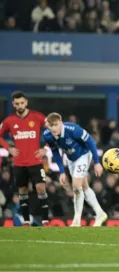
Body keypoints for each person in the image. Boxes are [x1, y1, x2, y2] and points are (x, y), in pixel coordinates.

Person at [44, 112, 108, 227]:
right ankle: (100, 213)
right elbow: (55, 152)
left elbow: (91, 142)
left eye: (56, 125)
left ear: (61, 123)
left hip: (83, 155)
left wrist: (97, 163)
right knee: (84, 186)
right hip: (70, 159)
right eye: (51, 125)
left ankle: (76, 220)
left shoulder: (73, 129)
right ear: (47, 125)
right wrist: (62, 172)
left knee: (75, 185)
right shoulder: (47, 135)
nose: (53, 128)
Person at [0, 91, 50, 226]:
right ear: (13, 104)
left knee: (41, 188)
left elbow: (52, 130)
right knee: (22, 191)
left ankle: (45, 221)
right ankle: (26, 221)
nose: (20, 106)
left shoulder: (37, 117)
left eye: (22, 103)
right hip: (19, 163)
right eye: (17, 104)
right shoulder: (9, 121)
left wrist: (45, 147)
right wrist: (8, 148)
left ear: (26, 102)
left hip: (36, 162)